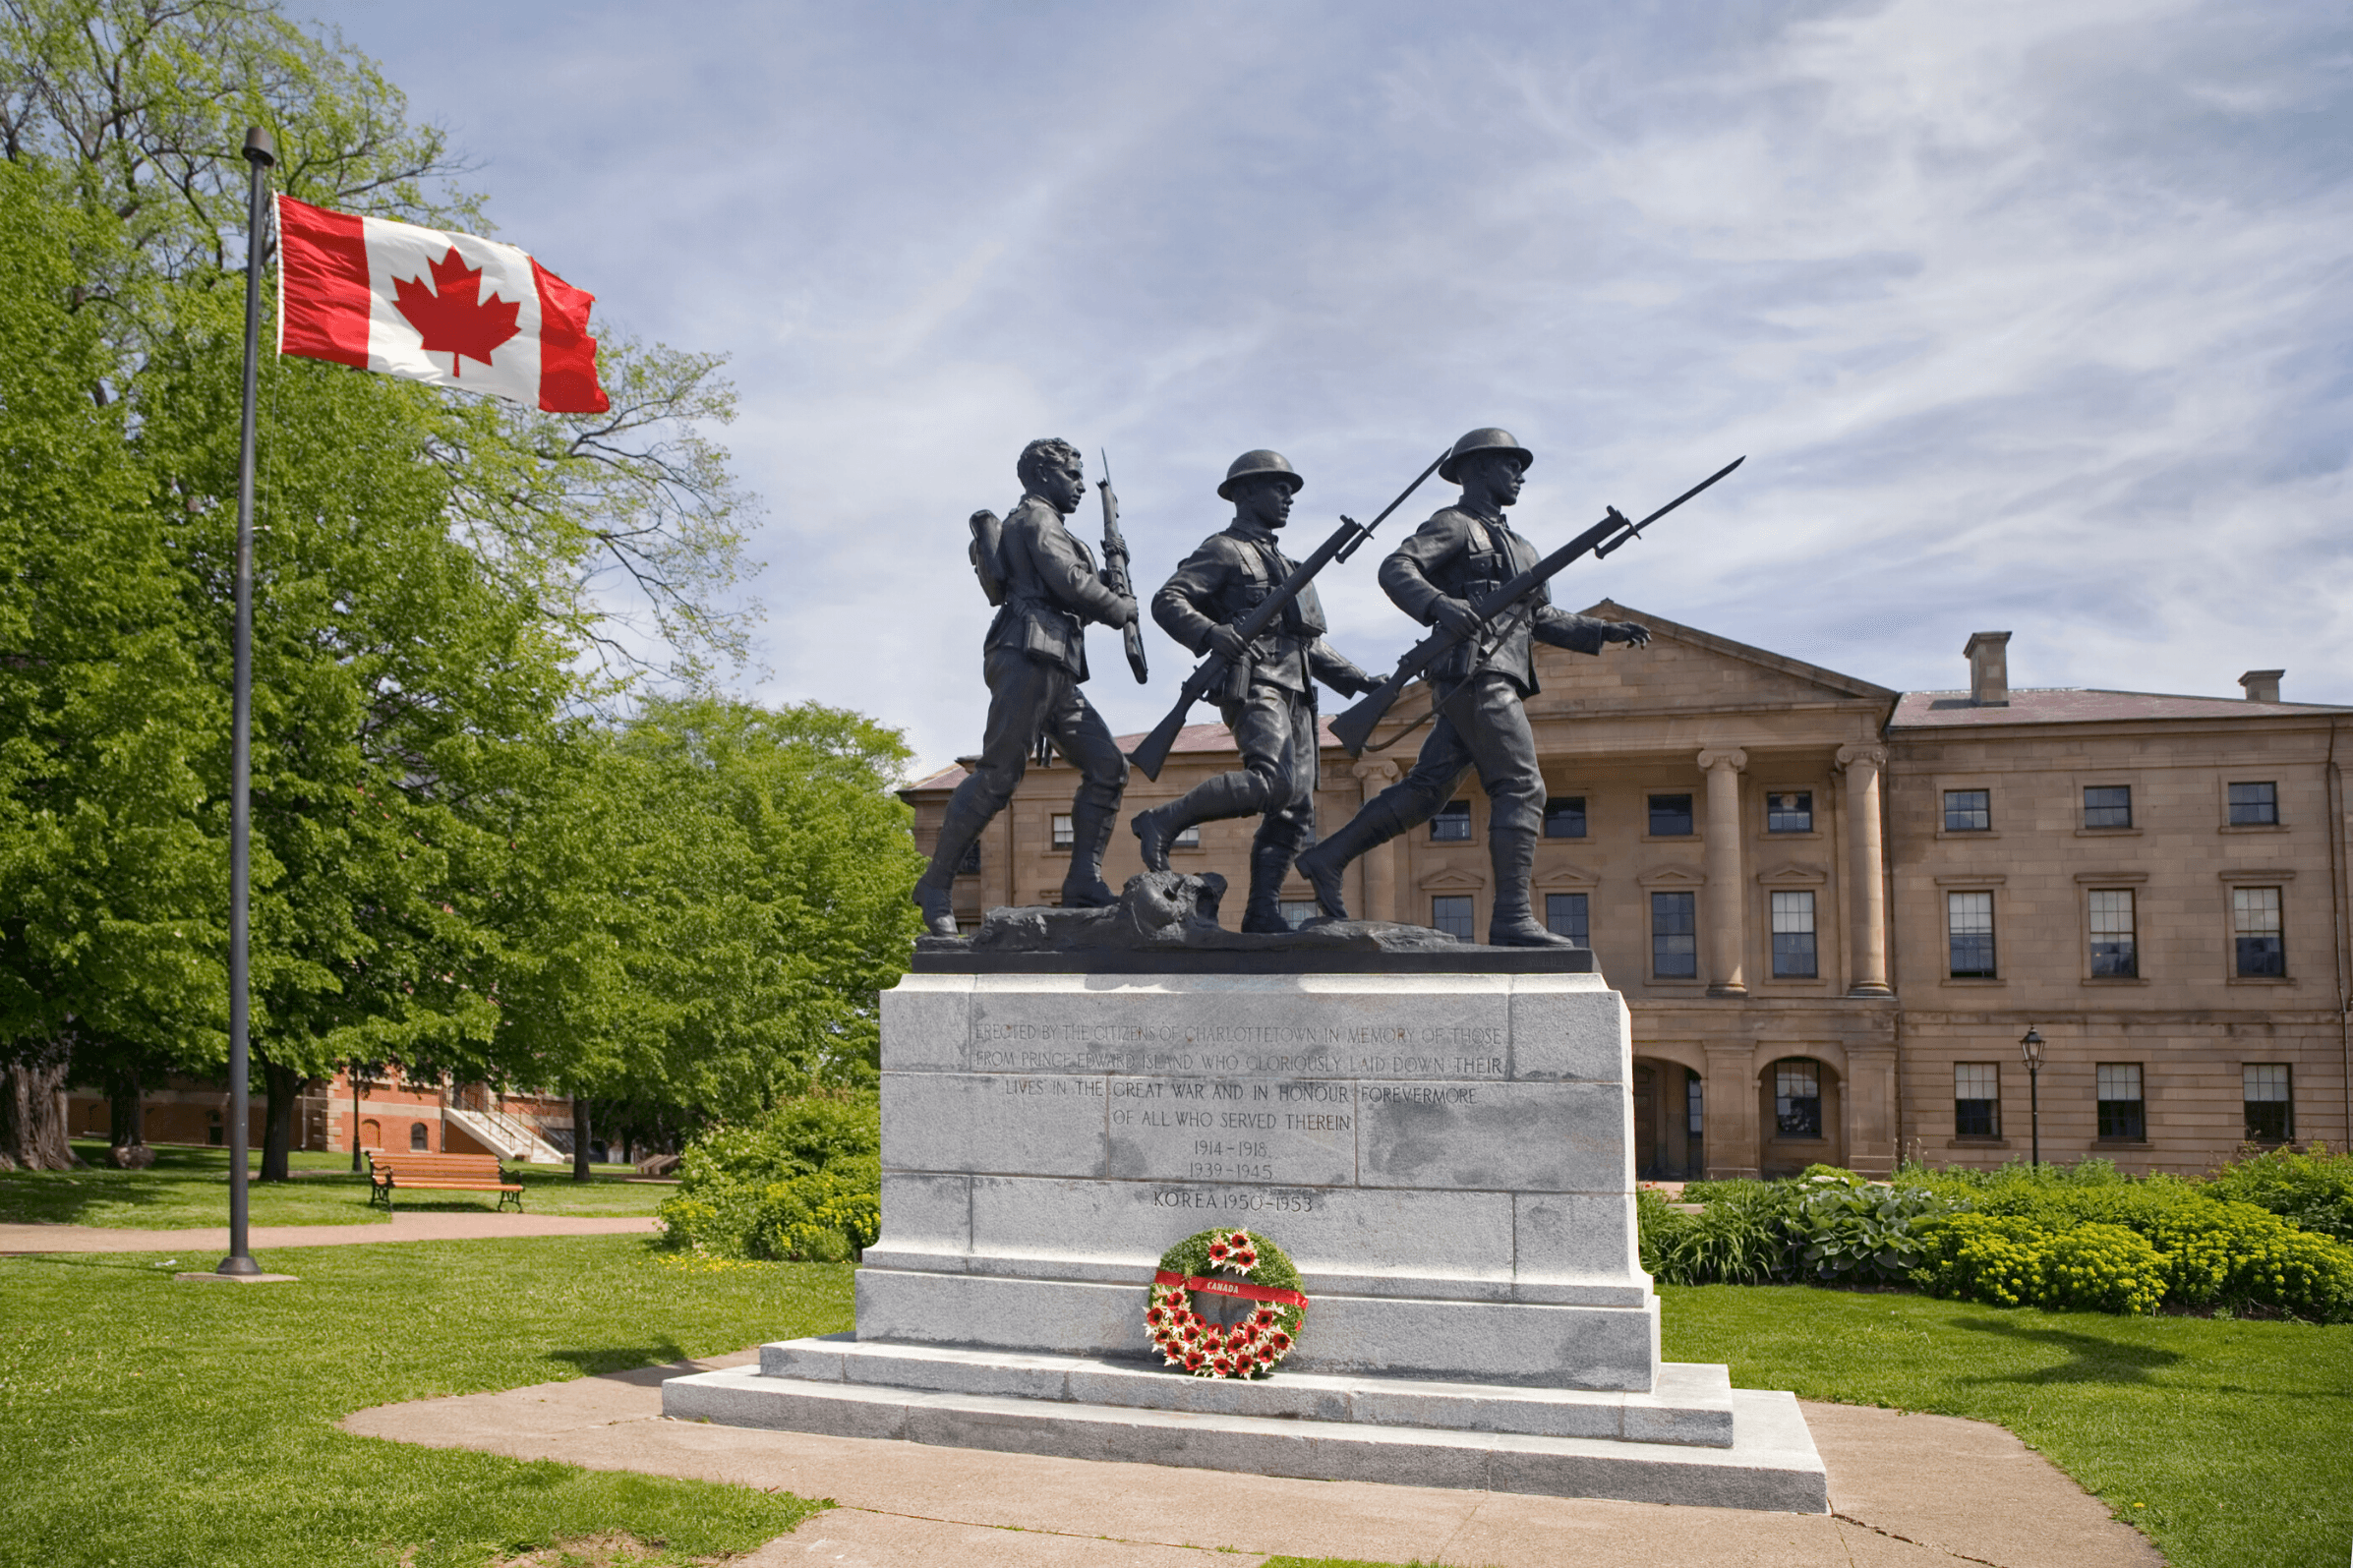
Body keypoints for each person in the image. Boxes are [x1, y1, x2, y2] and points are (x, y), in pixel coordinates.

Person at [1292, 427, 1652, 947]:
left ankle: (1327, 857)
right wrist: (1440, 605)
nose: (1520, 475)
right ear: (1477, 469)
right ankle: (1511, 917)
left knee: (1425, 792)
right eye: (1510, 465)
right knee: (1522, 787)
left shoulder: (1523, 546)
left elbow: (1538, 616)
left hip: (1494, 673)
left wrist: (1599, 631)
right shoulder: (1454, 525)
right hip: (1477, 673)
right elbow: (1397, 567)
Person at [1129, 450, 1377, 934]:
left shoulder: (1290, 564)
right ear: (1244, 493)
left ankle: (1262, 910)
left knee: (1296, 807)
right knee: (1273, 781)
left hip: (1298, 690)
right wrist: (1209, 633)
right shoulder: (1224, 549)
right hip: (1254, 679)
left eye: (1291, 490)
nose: (1288, 498)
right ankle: (1164, 818)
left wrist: (1361, 679)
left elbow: (1307, 645)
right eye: (1277, 487)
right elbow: (1168, 600)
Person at [910, 437, 1139, 937]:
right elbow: (1072, 584)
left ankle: (1083, 879)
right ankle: (936, 884)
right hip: (1027, 652)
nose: (1080, 485)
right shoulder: (1037, 520)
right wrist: (1119, 606)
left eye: (1082, 476)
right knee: (997, 775)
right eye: (1072, 475)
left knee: (1107, 765)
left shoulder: (1048, 523)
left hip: (1053, 660)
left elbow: (1073, 590)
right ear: (1041, 475)